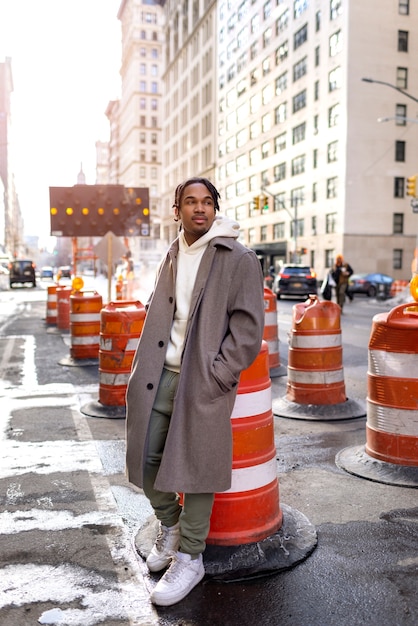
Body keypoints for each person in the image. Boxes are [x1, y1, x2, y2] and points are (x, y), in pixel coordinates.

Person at [125, 177, 265, 607]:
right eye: (190, 202)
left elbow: (248, 328)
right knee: (146, 460)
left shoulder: (237, 257)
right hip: (158, 375)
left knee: (198, 470)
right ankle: (169, 528)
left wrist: (218, 374)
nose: (199, 209)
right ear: (177, 210)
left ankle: (190, 556)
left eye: (207, 202)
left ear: (215, 208)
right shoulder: (172, 252)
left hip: (201, 380)